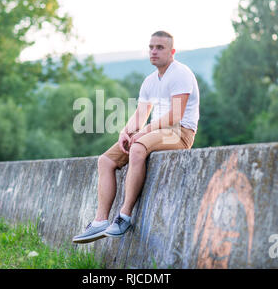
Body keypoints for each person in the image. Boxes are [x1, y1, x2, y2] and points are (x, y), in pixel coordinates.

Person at [73, 31, 200, 243]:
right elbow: (140, 115)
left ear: (172, 52)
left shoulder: (181, 73)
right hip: (157, 132)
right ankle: (100, 221)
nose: (154, 51)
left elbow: (176, 115)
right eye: (151, 47)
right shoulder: (150, 81)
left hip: (180, 133)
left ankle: (124, 216)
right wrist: (126, 131)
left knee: (138, 147)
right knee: (105, 160)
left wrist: (143, 132)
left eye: (160, 47)